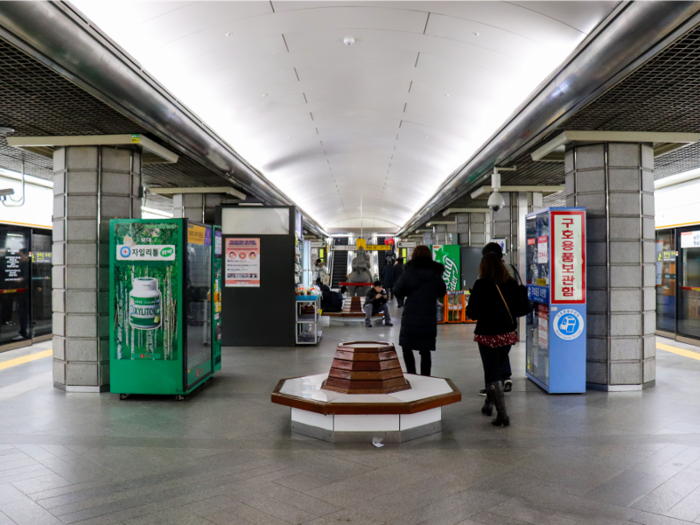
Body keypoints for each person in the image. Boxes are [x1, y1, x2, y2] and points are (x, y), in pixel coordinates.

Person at [466, 252, 520, 427]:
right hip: (507, 334)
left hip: (488, 334)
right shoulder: (511, 283)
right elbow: (518, 308)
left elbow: (471, 313)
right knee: (495, 368)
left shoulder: (481, 285)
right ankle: (488, 404)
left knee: (492, 372)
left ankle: (502, 415)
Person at [393, 246, 446, 376]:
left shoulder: (408, 273)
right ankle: (426, 377)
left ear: (414, 256)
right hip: (428, 316)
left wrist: (409, 292)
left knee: (407, 347)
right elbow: (442, 292)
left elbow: (397, 291)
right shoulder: (435, 274)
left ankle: (412, 375)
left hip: (411, 315)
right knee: (425, 349)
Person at [477, 242, 513, 396]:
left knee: (491, 362)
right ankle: (505, 377)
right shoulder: (509, 273)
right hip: (507, 326)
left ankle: (492, 393)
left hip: (488, 329)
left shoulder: (483, 281)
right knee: (501, 352)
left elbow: (473, 311)